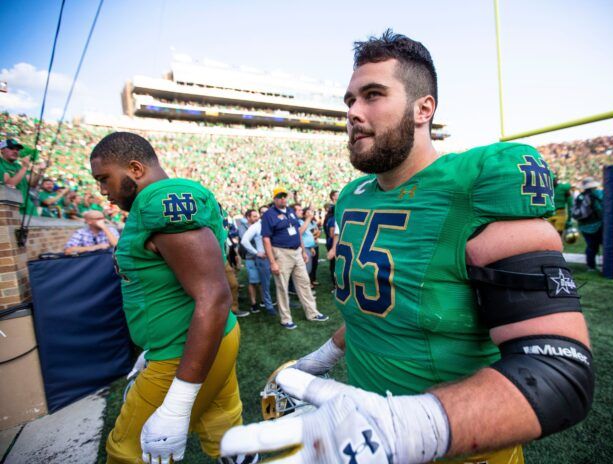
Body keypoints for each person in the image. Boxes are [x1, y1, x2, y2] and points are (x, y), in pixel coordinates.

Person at [221, 30, 592, 463]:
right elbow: (383, 306)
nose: (354, 112)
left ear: (423, 108)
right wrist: (324, 355)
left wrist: (410, 426)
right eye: (350, 101)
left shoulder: (474, 185)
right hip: (364, 441)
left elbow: (560, 371)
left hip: (459, 448)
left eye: (373, 95)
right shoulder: (354, 195)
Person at [90, 132, 249, 463]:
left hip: (185, 347)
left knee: (127, 451)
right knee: (225, 433)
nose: (103, 191)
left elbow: (214, 296)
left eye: (104, 179)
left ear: (135, 168)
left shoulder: (162, 200)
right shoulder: (158, 203)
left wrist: (178, 402)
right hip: (207, 338)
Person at [261, 187, 328, 329]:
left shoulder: (290, 211)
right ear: (274, 199)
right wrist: (272, 262)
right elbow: (266, 239)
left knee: (304, 283)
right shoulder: (269, 215)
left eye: (284, 196)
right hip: (281, 253)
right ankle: (286, 319)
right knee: (282, 287)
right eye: (279, 196)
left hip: (297, 251)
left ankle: (312, 313)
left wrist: (303, 251)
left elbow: (297, 233)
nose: (283, 199)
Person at [241, 208, 276, 316]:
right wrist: (257, 252)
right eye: (263, 213)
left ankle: (277, 302)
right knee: (264, 283)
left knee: (277, 281)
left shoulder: (273, 223)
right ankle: (268, 306)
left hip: (277, 256)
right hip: (263, 258)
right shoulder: (256, 226)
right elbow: (244, 241)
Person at [0, 138, 43, 216]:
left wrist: (40, 171)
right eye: (11, 148)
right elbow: (9, 184)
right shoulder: (1, 164)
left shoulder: (18, 166)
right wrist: (24, 167)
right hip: (11, 208)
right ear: (2, 150)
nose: (15, 151)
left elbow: (32, 183)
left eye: (17, 149)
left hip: (27, 206)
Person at [575, 177, 604, 270]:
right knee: (602, 244)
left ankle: (590, 266)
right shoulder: (595, 195)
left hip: (583, 225)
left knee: (591, 245)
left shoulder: (580, 196)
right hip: (596, 224)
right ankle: (606, 265)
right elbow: (599, 210)